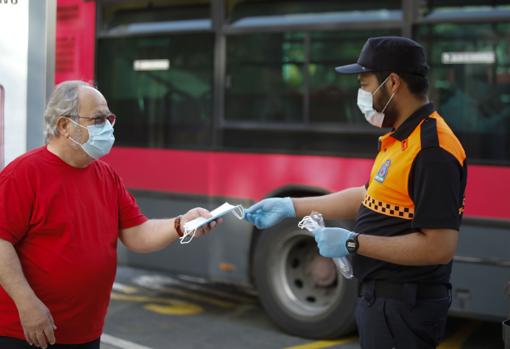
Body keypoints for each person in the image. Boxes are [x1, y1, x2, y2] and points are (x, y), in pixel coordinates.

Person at [244, 36, 467, 349]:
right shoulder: (400, 139)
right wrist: (291, 206)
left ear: (392, 83)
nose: (361, 94)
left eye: (365, 83)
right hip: (381, 301)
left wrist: (352, 242)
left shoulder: (432, 150)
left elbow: (439, 247)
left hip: (404, 308)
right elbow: (367, 197)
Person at [0, 81, 219, 349]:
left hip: (84, 333)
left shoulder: (106, 175)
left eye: (109, 118)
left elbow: (137, 233)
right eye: (98, 119)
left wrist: (181, 224)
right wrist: (27, 304)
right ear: (64, 126)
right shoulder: (23, 174)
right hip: (27, 332)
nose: (107, 127)